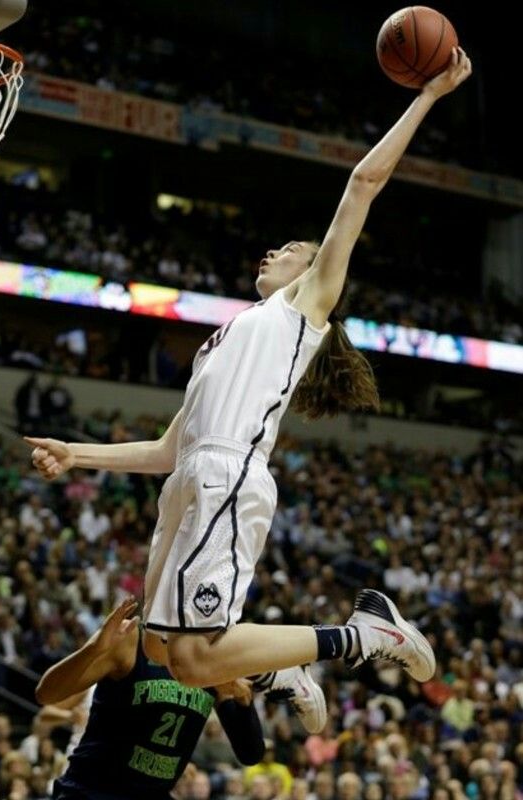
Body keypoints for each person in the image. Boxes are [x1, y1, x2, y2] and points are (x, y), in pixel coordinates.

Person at [26, 51, 472, 690]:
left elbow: (363, 184)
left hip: (228, 472)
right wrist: (75, 454)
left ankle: (369, 632)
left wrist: (428, 96)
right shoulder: (222, 339)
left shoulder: (302, 309)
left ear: (313, 274)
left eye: (291, 250)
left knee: (194, 658)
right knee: (162, 654)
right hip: (189, 475)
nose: (275, 250)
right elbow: (163, 449)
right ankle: (274, 674)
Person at [35, 597, 267, 800]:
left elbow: (250, 754)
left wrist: (244, 701)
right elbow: (46, 694)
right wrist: (94, 648)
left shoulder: (209, 661)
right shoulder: (131, 638)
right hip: (94, 790)